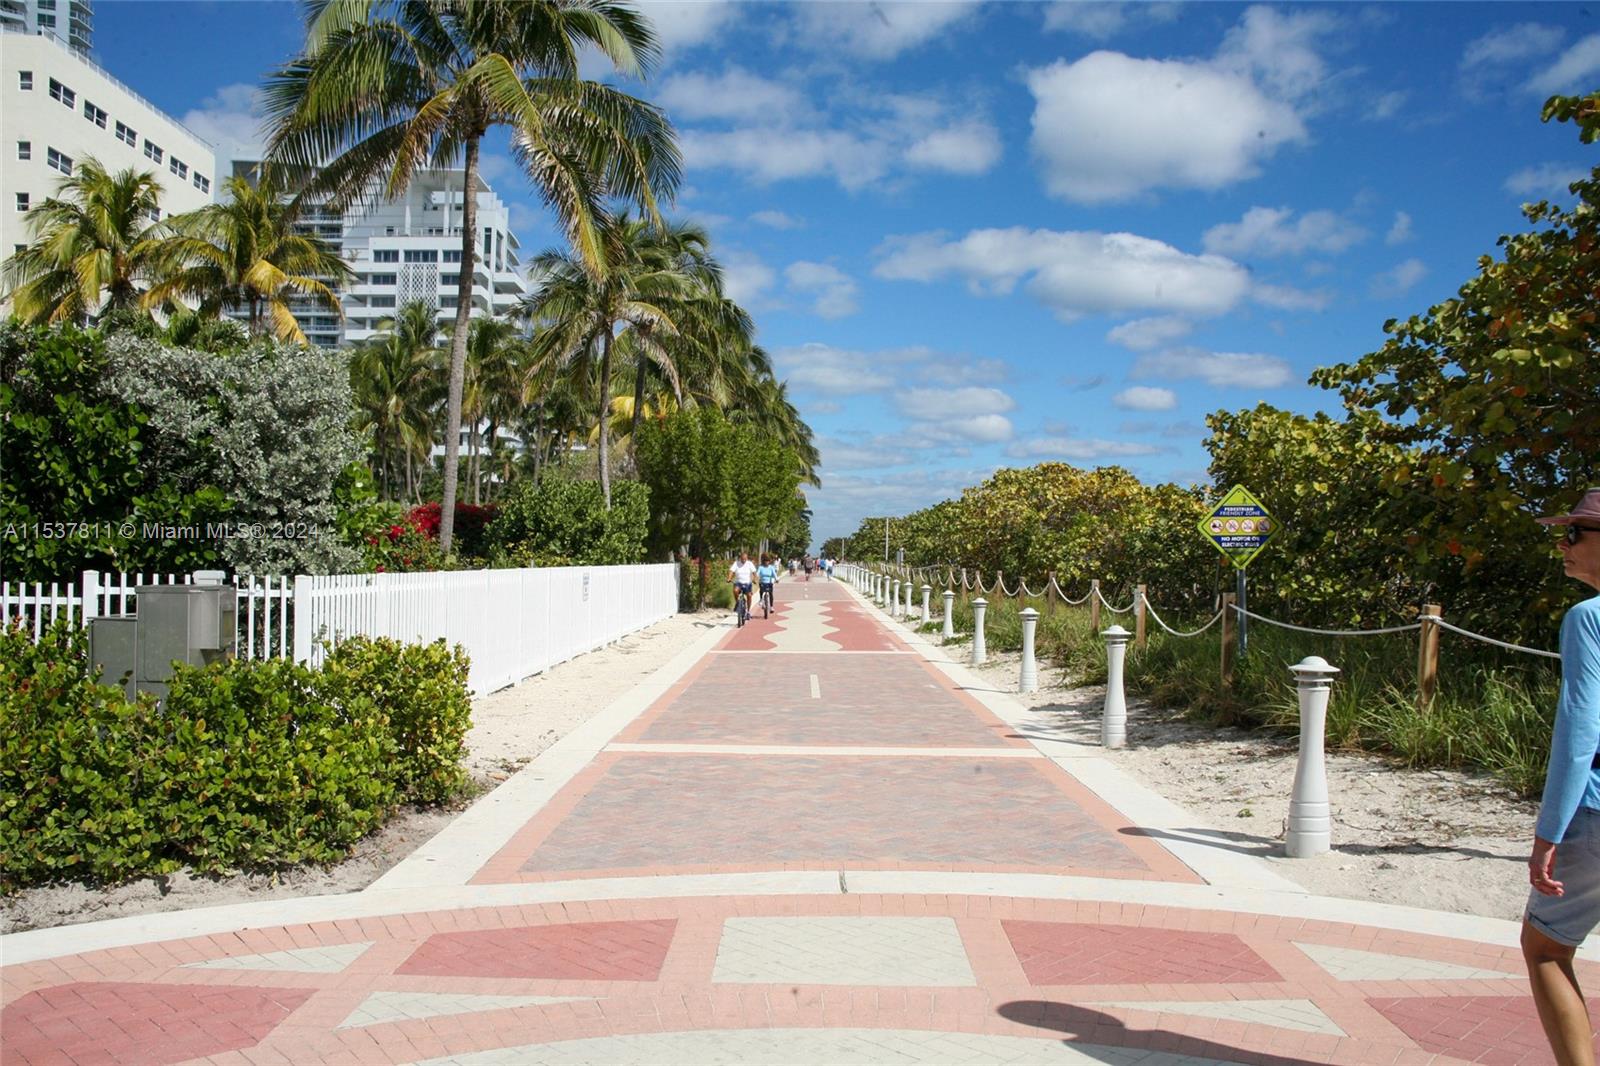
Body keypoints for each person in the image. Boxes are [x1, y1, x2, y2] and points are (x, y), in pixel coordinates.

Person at [1525, 486, 1600, 1066]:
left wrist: (1548, 832)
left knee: (1546, 948)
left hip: (1596, 813)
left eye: (1574, 532)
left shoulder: (1588, 618)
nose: (1563, 543)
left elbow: (1580, 731)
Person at [728, 551, 757, 618]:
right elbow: (731, 571)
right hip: (738, 583)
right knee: (735, 591)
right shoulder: (736, 563)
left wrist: (754, 579)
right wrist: (729, 578)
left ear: (747, 558)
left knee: (749, 596)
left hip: (747, 583)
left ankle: (748, 611)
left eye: (745, 559)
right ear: (740, 558)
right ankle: (738, 603)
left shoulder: (749, 563)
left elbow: (754, 572)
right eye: (742, 559)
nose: (743, 560)